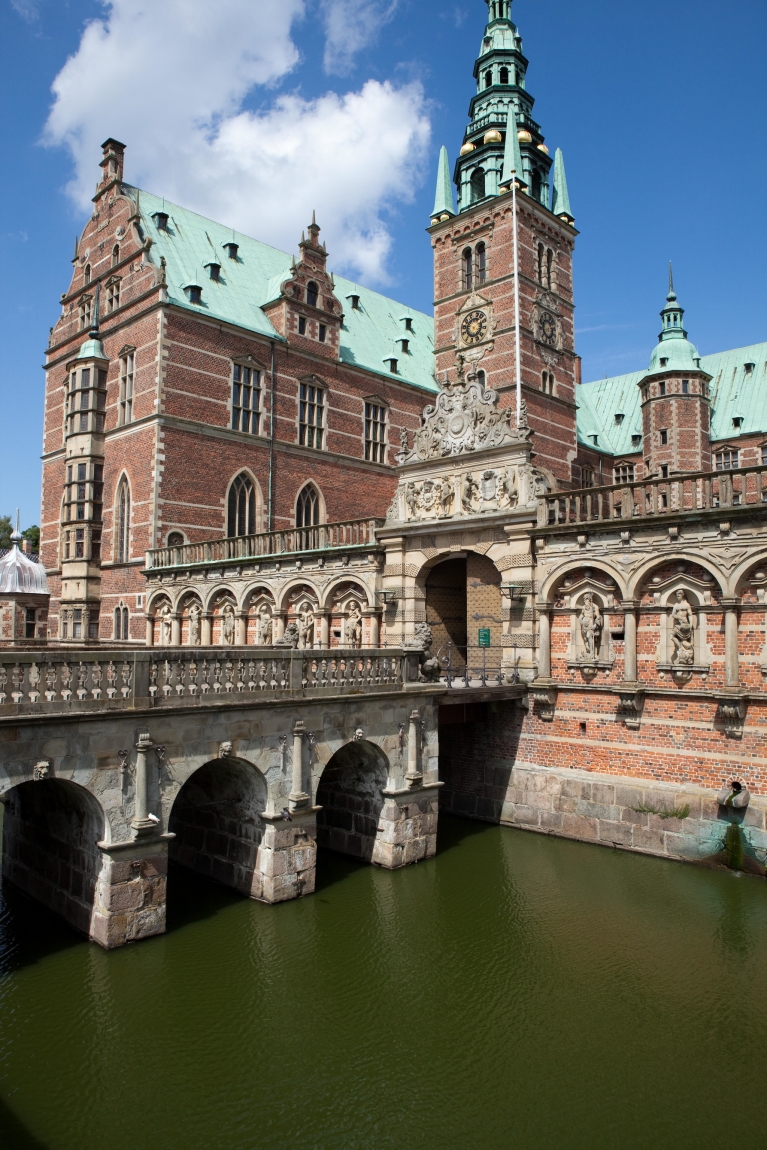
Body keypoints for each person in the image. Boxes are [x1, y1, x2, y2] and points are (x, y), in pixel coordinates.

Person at [670, 590, 695, 665]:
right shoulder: (676, 605)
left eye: (679, 594)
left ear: (682, 595)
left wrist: (691, 624)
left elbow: (690, 615)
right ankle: (680, 648)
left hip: (685, 624)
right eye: (677, 594)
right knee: (671, 636)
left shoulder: (686, 605)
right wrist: (680, 617)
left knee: (685, 641)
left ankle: (684, 654)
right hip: (679, 624)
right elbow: (673, 614)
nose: (678, 596)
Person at [579, 592, 603, 660]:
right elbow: (581, 615)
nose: (585, 601)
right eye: (585, 599)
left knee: (589, 636)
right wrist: (580, 620)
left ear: (590, 599)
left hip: (591, 625)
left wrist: (595, 625)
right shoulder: (584, 607)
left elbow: (598, 616)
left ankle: (592, 653)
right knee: (585, 639)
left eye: (587, 599)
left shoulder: (594, 607)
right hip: (584, 626)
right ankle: (589, 652)